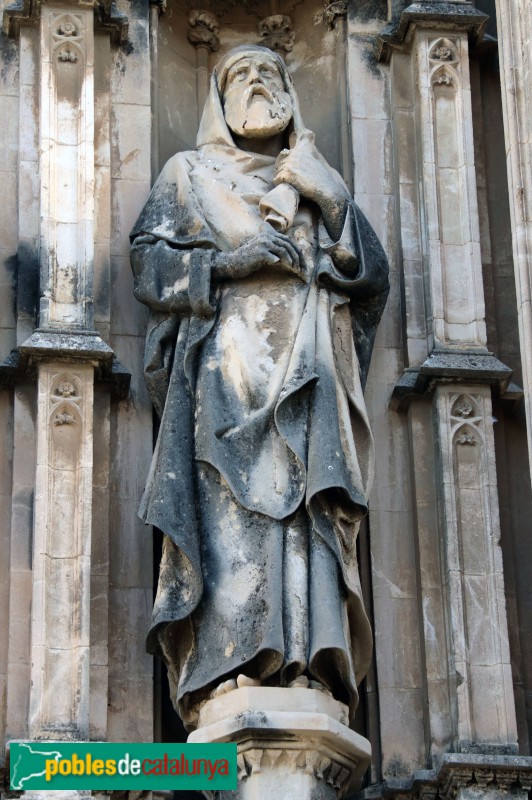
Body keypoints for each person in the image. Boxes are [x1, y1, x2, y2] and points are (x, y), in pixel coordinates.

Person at [130, 45, 389, 730]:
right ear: (217, 97)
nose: (256, 85)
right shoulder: (188, 174)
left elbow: (370, 281)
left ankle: (303, 664)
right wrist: (227, 265)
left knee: (303, 515)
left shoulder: (308, 177)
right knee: (228, 518)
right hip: (224, 372)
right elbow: (147, 264)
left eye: (269, 75)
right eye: (240, 76)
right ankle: (225, 671)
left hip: (307, 376)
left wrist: (328, 195)